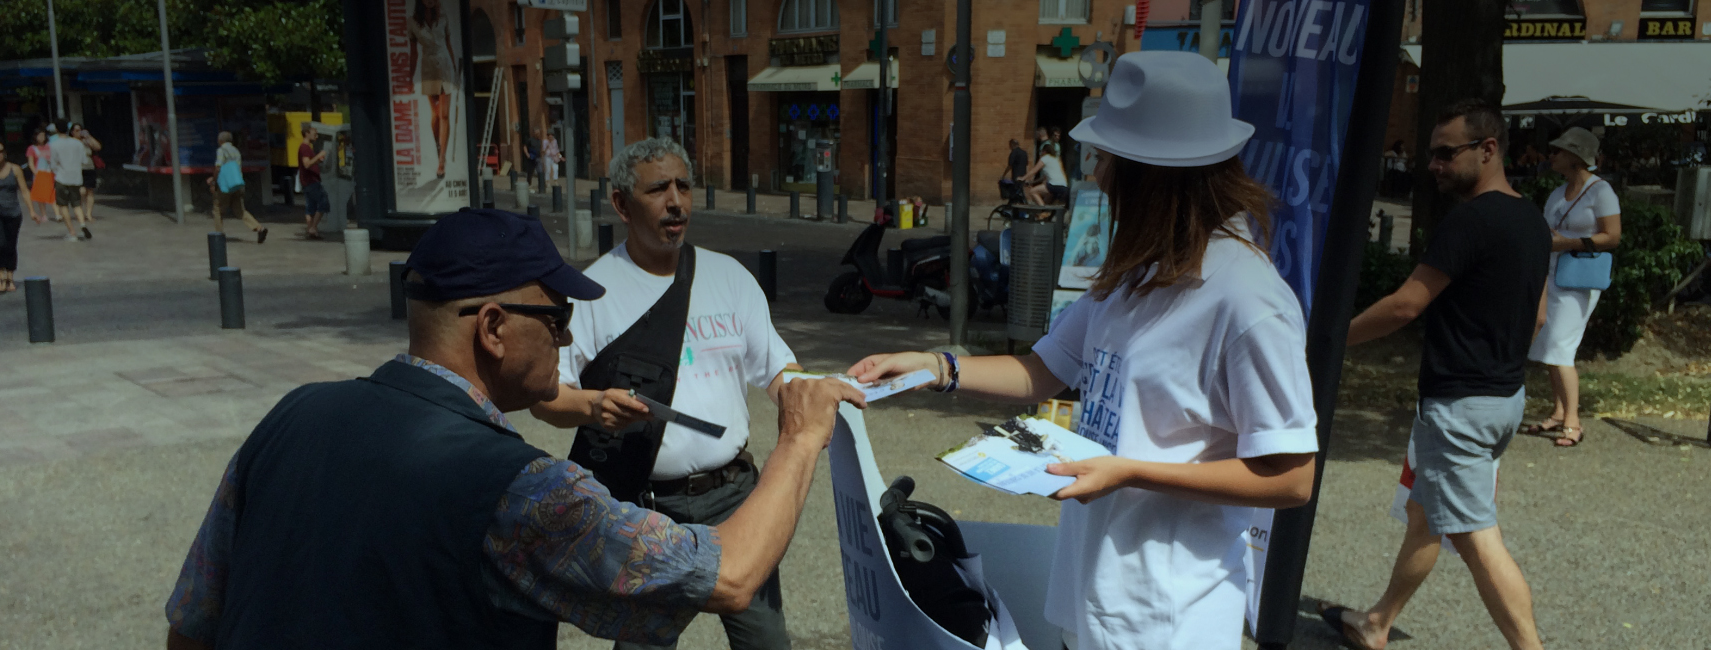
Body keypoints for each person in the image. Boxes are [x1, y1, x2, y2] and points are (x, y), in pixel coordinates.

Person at [163, 207, 866, 649]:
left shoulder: (294, 414)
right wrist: (801, 438)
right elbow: (730, 576)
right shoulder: (516, 487)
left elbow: (193, 620)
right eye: (555, 318)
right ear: (494, 329)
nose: (564, 340)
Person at [850, 52, 1319, 650]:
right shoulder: (1137, 270)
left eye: (1107, 159)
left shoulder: (1250, 303)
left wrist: (1130, 472)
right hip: (1092, 599)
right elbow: (1043, 370)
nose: (1095, 175)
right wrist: (937, 367)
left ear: (1155, 174)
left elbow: (1292, 477)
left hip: (1170, 620)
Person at [530, 138, 805, 650]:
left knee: (767, 642)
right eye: (658, 189)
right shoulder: (592, 293)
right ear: (620, 204)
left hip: (735, 496)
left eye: (683, 186)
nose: (676, 201)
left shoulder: (730, 278)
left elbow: (779, 371)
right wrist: (593, 405)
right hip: (645, 506)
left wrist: (811, 401)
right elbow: (545, 396)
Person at [1321, 99, 1548, 650]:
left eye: (1447, 153)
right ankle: (1376, 622)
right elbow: (1538, 317)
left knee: (1477, 541)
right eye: (1432, 154)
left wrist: (1326, 342)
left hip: (1460, 410)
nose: (1434, 165)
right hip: (1503, 401)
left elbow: (1404, 306)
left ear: (1488, 149)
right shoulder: (1532, 220)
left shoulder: (1469, 220)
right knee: (1425, 516)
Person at [1522, 127, 1620, 447]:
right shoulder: (1557, 193)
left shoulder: (1600, 192)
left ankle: (1574, 422)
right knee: (1549, 343)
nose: (1552, 156)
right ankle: (1559, 411)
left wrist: (1567, 242)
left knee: (1561, 346)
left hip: (1577, 278)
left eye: (1558, 151)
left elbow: (1612, 237)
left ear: (1576, 157)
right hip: (1550, 273)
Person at [410, 0, 457, 180]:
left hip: (445, 66)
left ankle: (442, 161)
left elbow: (449, 44)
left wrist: (454, 67)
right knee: (435, 114)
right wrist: (409, 77)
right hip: (428, 68)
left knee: (444, 114)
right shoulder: (413, 22)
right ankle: (439, 146)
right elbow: (413, 52)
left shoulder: (444, 17)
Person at [0, 138, 37, 295]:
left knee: (11, 245)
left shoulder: (15, 169)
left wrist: (31, 211)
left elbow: (24, 191)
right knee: (0, 243)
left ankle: (10, 277)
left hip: (13, 213)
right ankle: (0, 277)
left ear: (4, 153)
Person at [211, 131, 269, 244]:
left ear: (220, 140)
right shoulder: (236, 151)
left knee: (217, 209)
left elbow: (218, 167)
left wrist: (213, 181)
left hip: (226, 186)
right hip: (238, 184)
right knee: (240, 211)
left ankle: (218, 236)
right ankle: (259, 228)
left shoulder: (221, 150)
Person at [48, 121, 91, 241]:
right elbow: (85, 161)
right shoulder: (77, 143)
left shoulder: (54, 144)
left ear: (56, 129)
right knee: (77, 204)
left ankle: (72, 233)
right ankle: (82, 224)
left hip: (62, 177)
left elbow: (52, 163)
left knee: (63, 205)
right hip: (76, 178)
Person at [24, 127, 64, 236]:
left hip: (50, 173)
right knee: (41, 195)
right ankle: (44, 214)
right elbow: (31, 163)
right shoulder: (32, 149)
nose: (41, 137)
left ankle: (57, 214)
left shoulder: (49, 147)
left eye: (43, 135)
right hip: (39, 174)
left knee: (53, 193)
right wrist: (35, 173)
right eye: (39, 135)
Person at [297, 124, 329, 240]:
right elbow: (306, 164)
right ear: (307, 133)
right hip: (311, 181)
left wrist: (316, 160)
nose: (316, 134)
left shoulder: (306, 147)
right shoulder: (305, 147)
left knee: (311, 206)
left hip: (308, 181)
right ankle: (313, 228)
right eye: (314, 132)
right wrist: (319, 156)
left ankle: (311, 230)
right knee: (323, 202)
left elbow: (310, 162)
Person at [70, 122, 102, 222]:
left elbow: (97, 147)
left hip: (89, 167)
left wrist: (89, 137)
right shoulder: (71, 142)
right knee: (81, 191)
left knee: (90, 191)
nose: (79, 133)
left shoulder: (86, 141)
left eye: (80, 130)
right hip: (77, 168)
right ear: (72, 132)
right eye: (76, 131)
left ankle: (89, 214)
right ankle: (80, 212)